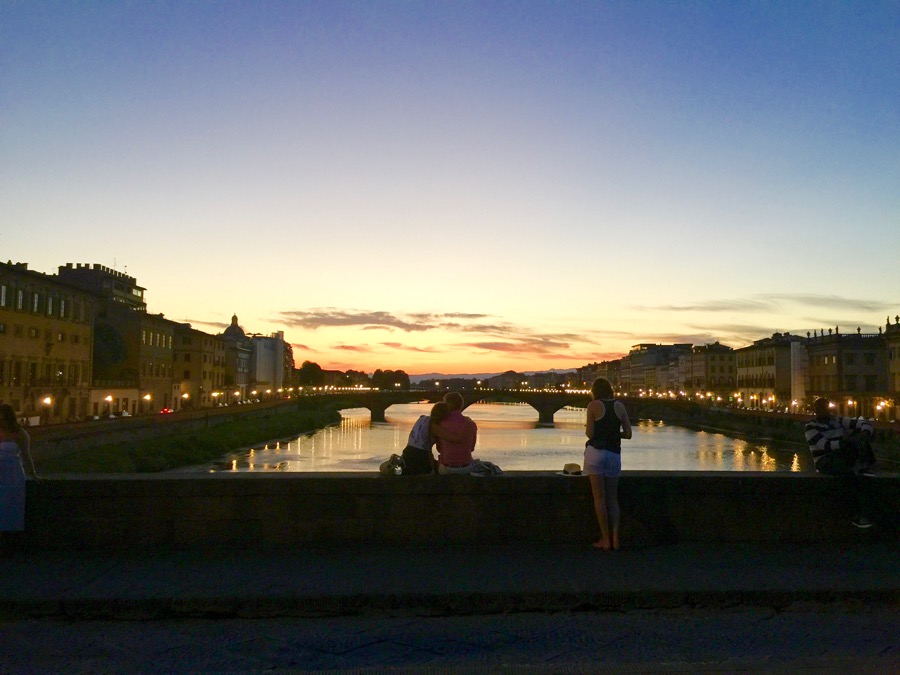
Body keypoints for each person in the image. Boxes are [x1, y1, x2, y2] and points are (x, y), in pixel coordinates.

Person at [804, 397, 876, 528]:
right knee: (847, 476)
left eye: (825, 407)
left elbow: (865, 423)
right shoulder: (810, 427)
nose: (823, 411)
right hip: (824, 460)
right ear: (815, 411)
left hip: (840, 454)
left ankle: (864, 466)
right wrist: (849, 442)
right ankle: (855, 514)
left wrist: (864, 433)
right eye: (821, 408)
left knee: (860, 439)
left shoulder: (838, 420)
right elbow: (826, 446)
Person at [584, 378, 632, 551]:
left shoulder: (593, 405)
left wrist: (597, 430)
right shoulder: (620, 406)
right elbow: (628, 434)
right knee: (612, 498)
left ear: (595, 391)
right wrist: (613, 433)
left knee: (599, 498)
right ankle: (616, 537)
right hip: (614, 455)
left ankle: (605, 539)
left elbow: (590, 434)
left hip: (596, 453)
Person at [0, 403, 37, 549]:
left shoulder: (20, 433)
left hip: (13, 473)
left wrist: (33, 473)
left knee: (11, 506)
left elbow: (27, 456)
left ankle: (10, 544)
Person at [400, 402, 451, 475]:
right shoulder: (435, 427)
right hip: (421, 457)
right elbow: (441, 447)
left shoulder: (422, 419)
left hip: (407, 453)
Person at [435, 392, 478, 474]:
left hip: (446, 468)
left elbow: (439, 449)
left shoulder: (440, 423)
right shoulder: (471, 424)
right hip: (465, 467)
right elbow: (472, 448)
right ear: (461, 405)